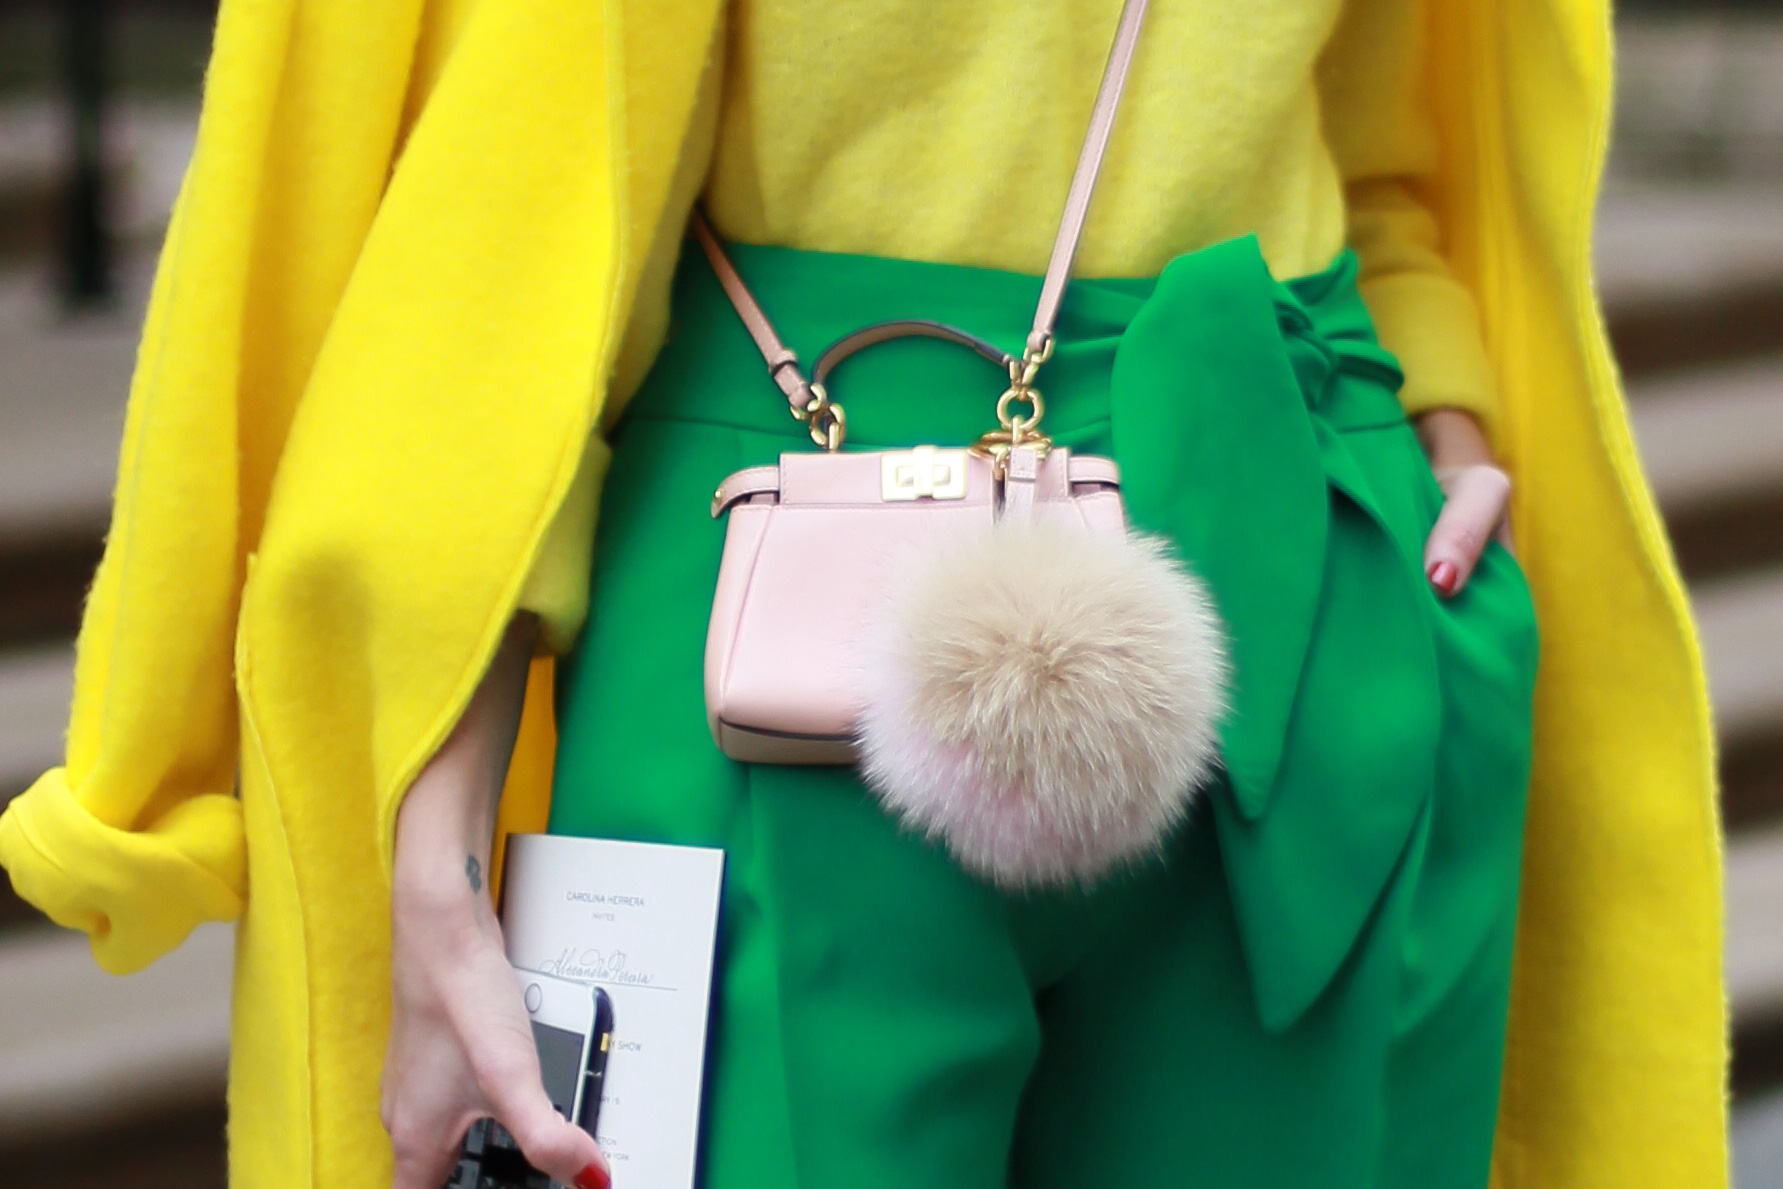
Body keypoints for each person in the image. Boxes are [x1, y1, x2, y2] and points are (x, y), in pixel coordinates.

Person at [0, 2, 1728, 1188]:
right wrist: (439, 854)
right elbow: (545, 210)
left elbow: (1378, 128)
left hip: (1299, 574)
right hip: (786, 626)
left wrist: (1444, 415)